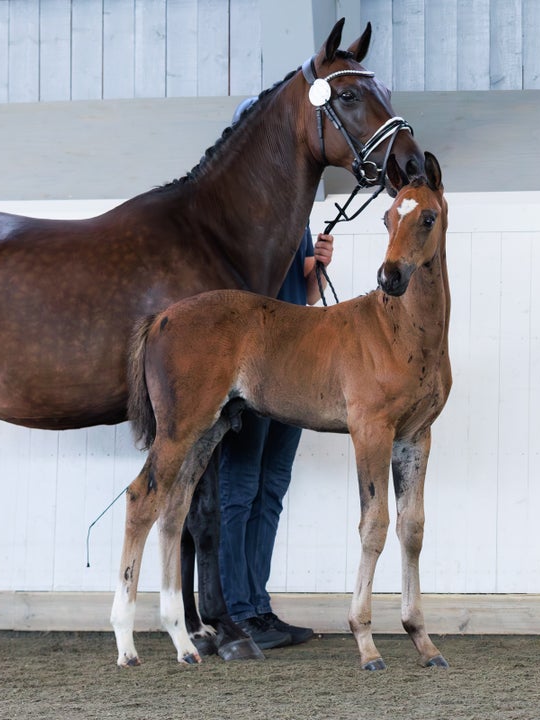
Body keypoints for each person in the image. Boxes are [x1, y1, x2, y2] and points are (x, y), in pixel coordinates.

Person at [218, 98, 335, 650]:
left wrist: (316, 266)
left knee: (270, 488)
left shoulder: (297, 212)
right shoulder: (244, 210)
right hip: (253, 364)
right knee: (241, 488)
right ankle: (237, 610)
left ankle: (258, 609)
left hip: (293, 360)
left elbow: (304, 296)